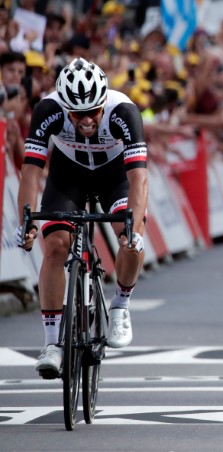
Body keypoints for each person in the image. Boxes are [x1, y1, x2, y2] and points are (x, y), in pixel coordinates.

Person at [15, 57, 148, 377]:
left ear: (104, 102)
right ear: (65, 108)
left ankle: (120, 305)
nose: (87, 121)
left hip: (113, 176)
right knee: (57, 246)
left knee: (129, 240)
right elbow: (31, 172)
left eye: (93, 112)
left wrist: (135, 226)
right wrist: (27, 223)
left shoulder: (123, 111)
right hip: (68, 176)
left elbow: (138, 180)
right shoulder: (48, 110)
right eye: (78, 114)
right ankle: (51, 344)